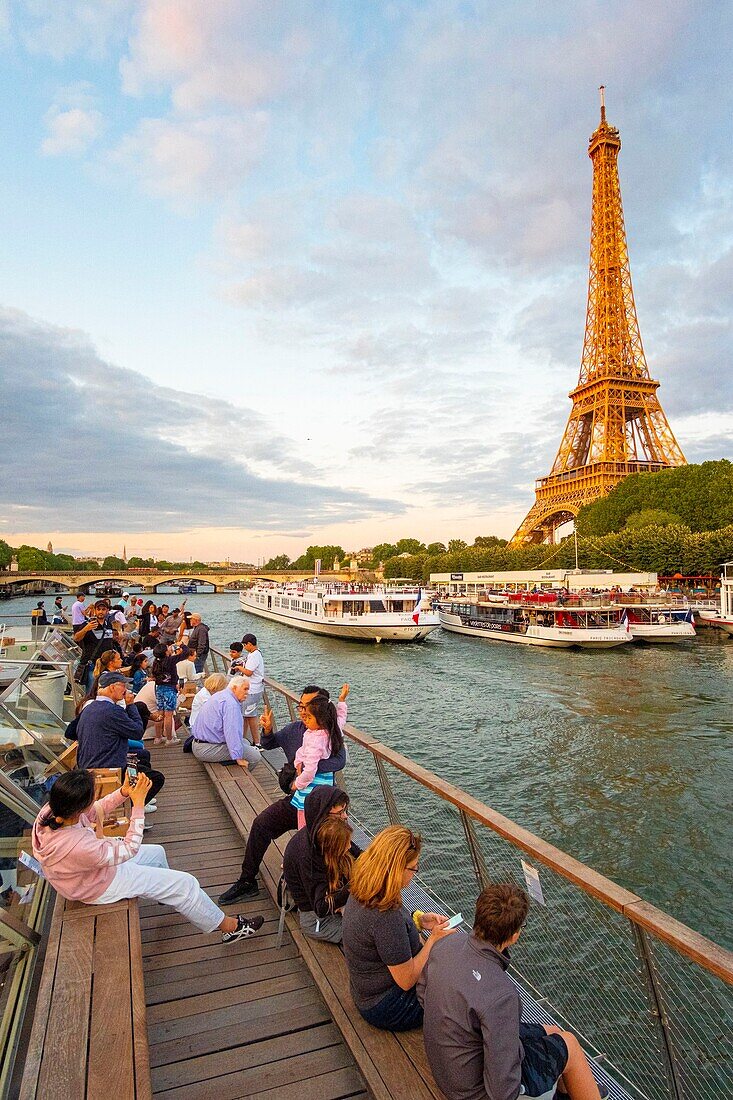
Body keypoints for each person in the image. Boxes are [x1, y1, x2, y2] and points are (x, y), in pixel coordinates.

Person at [32, 768, 263, 943]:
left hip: (87, 874)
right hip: (97, 886)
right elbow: (129, 848)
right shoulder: (78, 846)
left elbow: (94, 812)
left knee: (157, 853)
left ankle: (167, 895)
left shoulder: (53, 811)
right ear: (80, 805)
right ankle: (230, 928)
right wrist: (138, 804)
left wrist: (123, 792)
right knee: (186, 884)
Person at [417, 884, 603, 1100]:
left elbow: (422, 995)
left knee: (552, 1030)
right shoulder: (502, 995)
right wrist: (520, 1054)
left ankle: (570, 1090)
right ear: (514, 935)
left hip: (448, 1069)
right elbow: (502, 1091)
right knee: (569, 1042)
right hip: (471, 1092)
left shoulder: (446, 944)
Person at [218, 685, 347, 905]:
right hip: (297, 799)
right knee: (261, 824)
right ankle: (247, 881)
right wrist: (267, 730)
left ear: (322, 711)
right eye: (300, 706)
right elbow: (269, 744)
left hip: (320, 804)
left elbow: (339, 760)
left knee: (321, 848)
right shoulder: (296, 730)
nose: (302, 712)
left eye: (307, 708)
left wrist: (306, 768)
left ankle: (326, 895)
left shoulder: (327, 734)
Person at [342, 825, 454, 1031]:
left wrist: (419, 921)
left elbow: (385, 937)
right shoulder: (385, 915)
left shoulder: (366, 888)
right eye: (413, 868)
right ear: (395, 869)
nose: (415, 874)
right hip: (387, 1005)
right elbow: (407, 980)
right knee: (461, 999)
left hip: (365, 991)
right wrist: (433, 940)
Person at [76, 671, 165, 807]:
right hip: (108, 768)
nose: (126, 690)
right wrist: (130, 705)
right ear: (112, 687)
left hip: (91, 765)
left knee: (142, 763)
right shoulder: (111, 710)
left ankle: (137, 801)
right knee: (156, 778)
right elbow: (137, 732)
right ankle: (132, 807)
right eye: (123, 686)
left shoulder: (90, 708)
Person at [282, 787, 356, 943]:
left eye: (345, 810)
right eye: (340, 813)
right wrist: (356, 885)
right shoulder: (308, 855)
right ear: (323, 815)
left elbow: (360, 854)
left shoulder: (325, 836)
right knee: (367, 935)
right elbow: (321, 907)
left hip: (334, 900)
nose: (345, 816)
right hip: (317, 920)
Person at [292, 688, 348, 828]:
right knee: (323, 823)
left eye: (309, 717)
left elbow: (310, 769)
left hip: (310, 789)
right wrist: (341, 701)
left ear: (320, 719)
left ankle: (305, 845)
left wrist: (297, 783)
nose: (305, 718)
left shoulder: (315, 740)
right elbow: (341, 718)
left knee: (305, 826)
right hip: (326, 784)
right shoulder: (331, 730)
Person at [190, 676, 261, 767]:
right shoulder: (231, 705)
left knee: (245, 743)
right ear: (234, 688)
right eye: (245, 689)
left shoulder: (221, 695)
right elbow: (232, 732)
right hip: (207, 749)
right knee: (255, 756)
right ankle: (241, 778)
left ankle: (233, 767)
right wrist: (238, 758)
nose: (247, 693)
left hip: (198, 744)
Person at [73, 601, 120, 692]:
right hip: (92, 665)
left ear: (107, 611)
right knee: (91, 692)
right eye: (98, 609)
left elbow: (110, 643)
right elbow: (76, 638)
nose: (101, 612)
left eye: (103, 609)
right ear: (95, 611)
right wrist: (86, 629)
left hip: (106, 665)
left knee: (106, 691)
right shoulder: (87, 624)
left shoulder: (109, 625)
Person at [151, 643, 180, 746]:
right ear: (165, 652)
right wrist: (180, 645)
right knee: (168, 715)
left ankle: (158, 737)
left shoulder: (156, 662)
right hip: (169, 689)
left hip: (159, 689)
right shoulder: (170, 661)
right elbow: (184, 653)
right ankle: (169, 739)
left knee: (160, 714)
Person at [240, 633, 264, 745]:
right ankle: (242, 739)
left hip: (253, 690)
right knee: (245, 715)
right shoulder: (255, 654)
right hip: (253, 689)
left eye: (245, 645)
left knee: (251, 716)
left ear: (249, 644)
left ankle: (257, 742)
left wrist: (239, 667)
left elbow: (249, 672)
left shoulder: (254, 656)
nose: (244, 647)